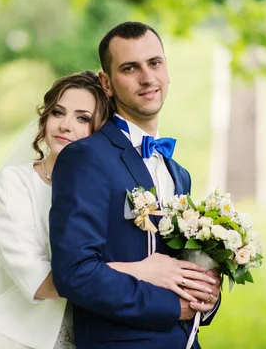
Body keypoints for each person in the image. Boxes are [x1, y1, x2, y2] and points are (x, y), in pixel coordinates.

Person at [0, 70, 215, 349]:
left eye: (82, 118)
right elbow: (39, 281)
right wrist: (141, 270)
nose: (65, 125)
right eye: (58, 112)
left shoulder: (111, 188)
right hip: (14, 337)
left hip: (89, 336)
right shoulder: (15, 184)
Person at [49, 22, 222, 349]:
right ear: (107, 83)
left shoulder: (177, 172)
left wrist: (207, 294)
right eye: (130, 68)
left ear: (167, 69)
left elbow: (178, 263)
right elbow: (76, 274)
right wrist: (173, 307)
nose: (147, 78)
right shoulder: (85, 158)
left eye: (154, 63)